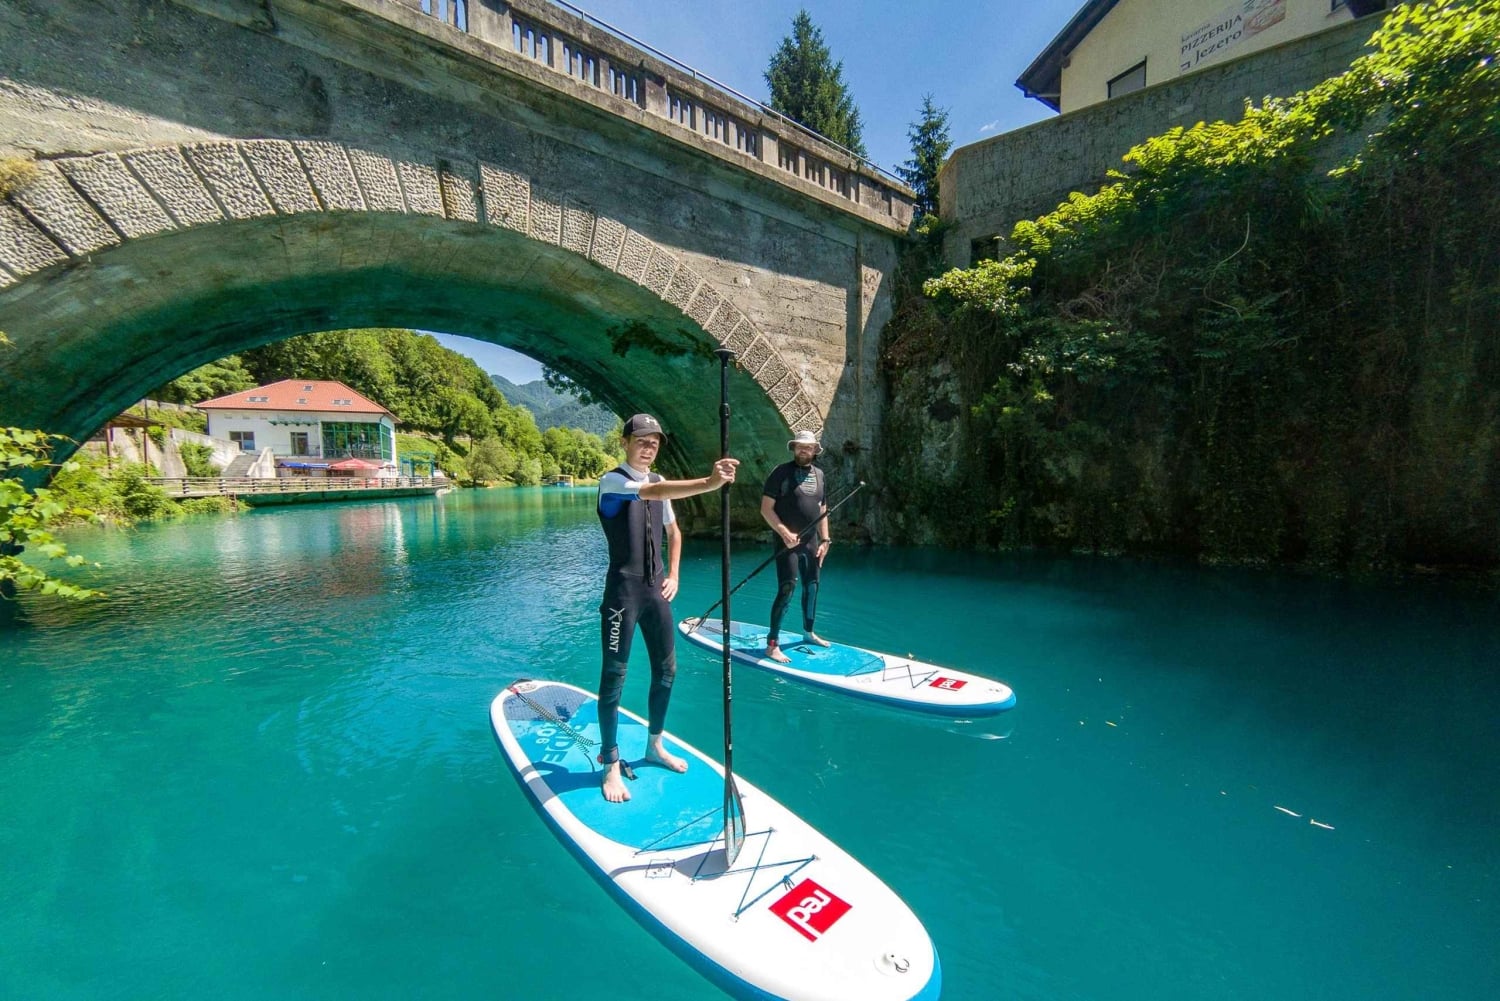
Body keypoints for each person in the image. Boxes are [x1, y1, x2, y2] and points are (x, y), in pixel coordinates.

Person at [596, 413, 738, 803]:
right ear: (625, 442)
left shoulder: (659, 481)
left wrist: (673, 573)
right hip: (622, 596)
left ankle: (654, 745)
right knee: (614, 677)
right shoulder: (613, 482)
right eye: (641, 440)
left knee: (667, 670)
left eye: (654, 442)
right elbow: (650, 493)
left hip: (655, 592)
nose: (649, 447)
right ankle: (610, 764)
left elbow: (673, 532)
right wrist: (709, 483)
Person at [760, 429, 831, 664]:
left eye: (808, 447)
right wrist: (784, 533)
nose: (803, 450)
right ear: (794, 448)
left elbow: (822, 509)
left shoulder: (820, 475)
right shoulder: (780, 473)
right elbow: (766, 509)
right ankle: (772, 645)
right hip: (787, 542)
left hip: (811, 543)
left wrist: (825, 539)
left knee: (812, 587)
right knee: (787, 588)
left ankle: (809, 633)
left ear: (814, 450)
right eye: (800, 446)